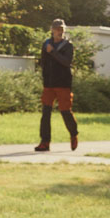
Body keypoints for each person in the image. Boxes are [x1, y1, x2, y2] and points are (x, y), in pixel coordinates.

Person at [34, 19, 79, 153]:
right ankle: (45, 142)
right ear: (52, 30)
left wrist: (53, 52)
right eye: (57, 29)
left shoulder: (68, 46)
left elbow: (66, 62)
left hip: (63, 83)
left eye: (61, 29)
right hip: (49, 83)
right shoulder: (46, 44)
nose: (59, 31)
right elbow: (42, 62)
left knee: (65, 111)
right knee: (46, 113)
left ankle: (73, 134)